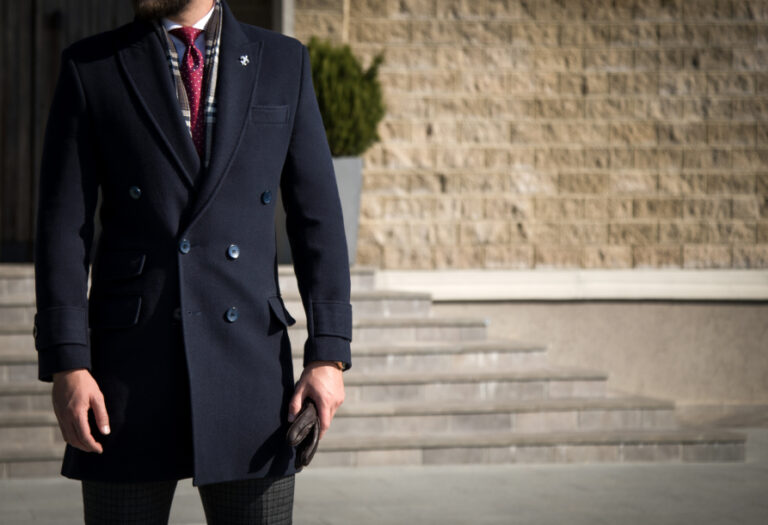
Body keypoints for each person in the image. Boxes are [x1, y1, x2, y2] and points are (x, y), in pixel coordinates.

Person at [32, 0, 352, 522]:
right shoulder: (92, 65)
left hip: (250, 371)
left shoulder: (282, 61)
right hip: (127, 375)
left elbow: (318, 220)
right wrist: (68, 360)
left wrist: (328, 355)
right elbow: (62, 229)